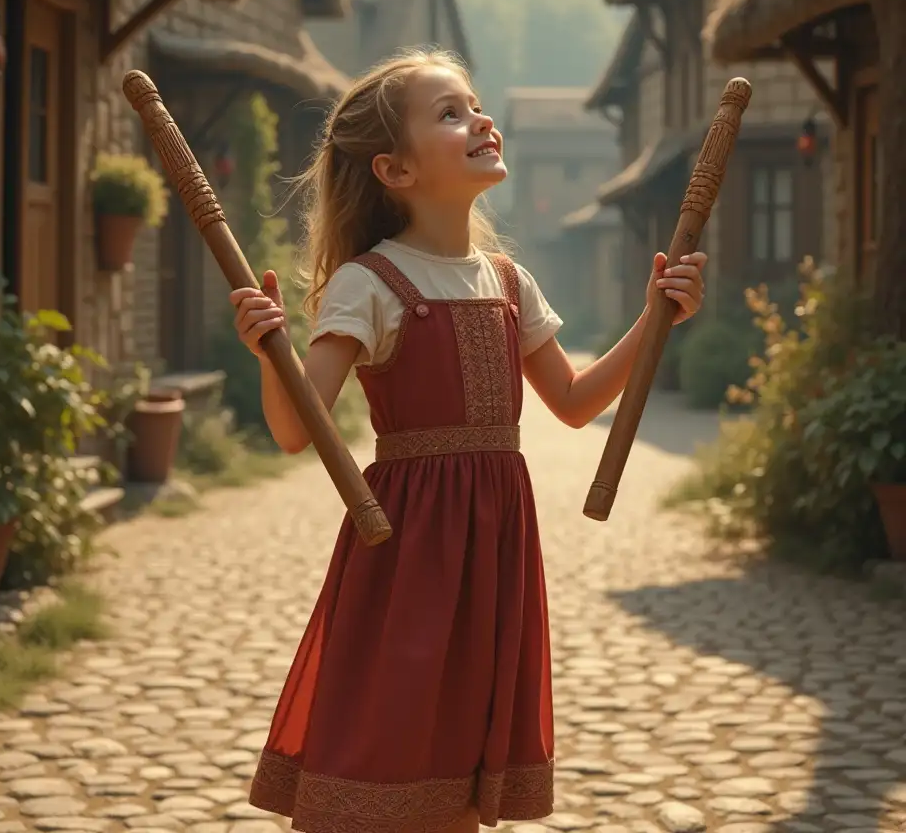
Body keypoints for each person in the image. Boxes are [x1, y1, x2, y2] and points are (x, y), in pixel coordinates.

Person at [230, 49, 706, 833]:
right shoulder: (370, 283)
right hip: (408, 553)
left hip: (495, 548)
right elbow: (292, 430)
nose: (479, 118)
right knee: (393, 740)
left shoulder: (508, 281)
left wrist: (659, 317)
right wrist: (267, 356)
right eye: (449, 113)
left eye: (475, 104)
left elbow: (577, 402)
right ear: (394, 169)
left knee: (458, 764)